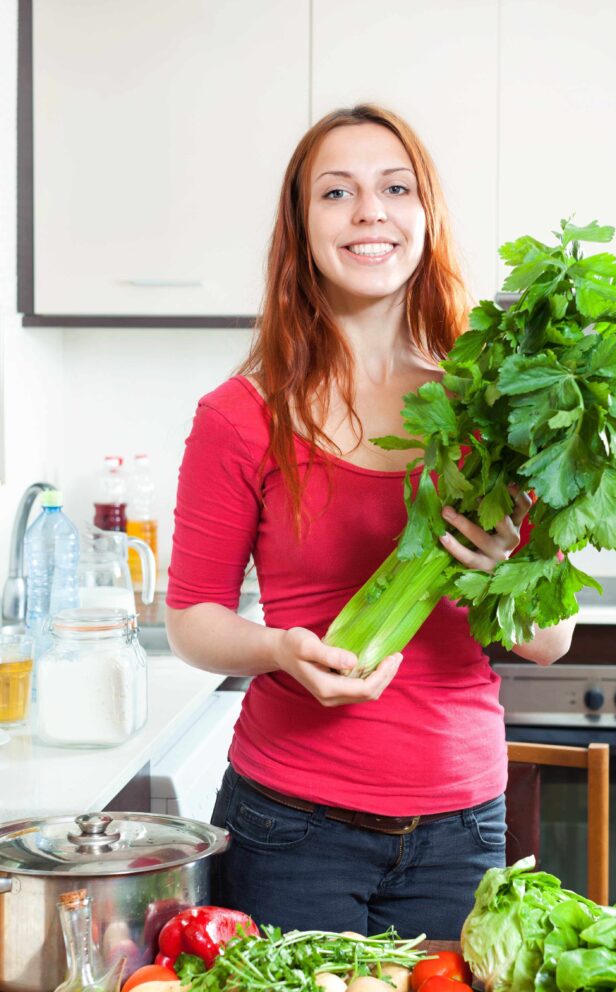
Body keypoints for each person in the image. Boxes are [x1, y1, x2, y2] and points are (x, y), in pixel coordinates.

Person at [166, 104, 575, 940]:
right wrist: (279, 649)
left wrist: (502, 566)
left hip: (463, 826)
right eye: (335, 192)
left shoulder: (493, 410)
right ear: (300, 224)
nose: (368, 212)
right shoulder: (240, 416)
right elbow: (192, 621)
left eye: (394, 187)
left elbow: (550, 638)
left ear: (424, 215)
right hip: (288, 823)